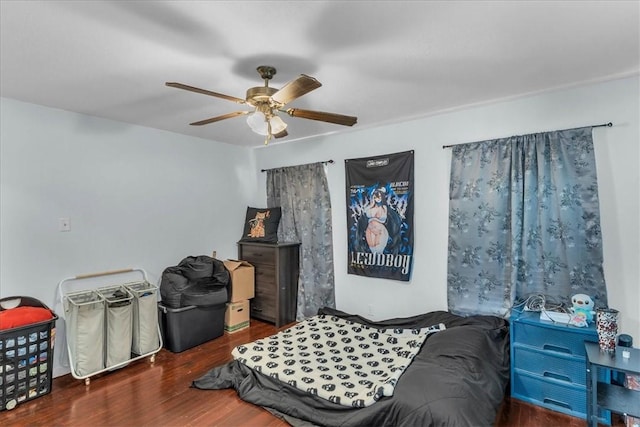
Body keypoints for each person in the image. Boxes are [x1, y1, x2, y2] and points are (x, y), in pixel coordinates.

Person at [364, 187, 389, 253]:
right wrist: (371, 204)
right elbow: (364, 211)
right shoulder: (370, 207)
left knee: (379, 250)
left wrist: (375, 218)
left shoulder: (384, 207)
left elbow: (384, 219)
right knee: (372, 251)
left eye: (379, 197)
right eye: (375, 197)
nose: (377, 199)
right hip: (369, 230)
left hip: (379, 231)